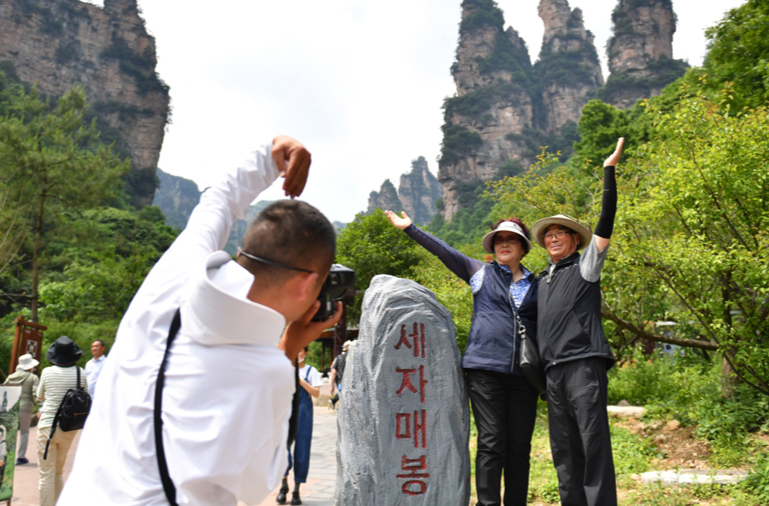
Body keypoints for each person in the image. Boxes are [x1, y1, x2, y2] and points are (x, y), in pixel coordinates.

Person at [59, 136, 342, 506]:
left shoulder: (173, 276)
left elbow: (218, 201)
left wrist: (275, 153)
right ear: (308, 284)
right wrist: (288, 349)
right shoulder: (265, 372)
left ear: (244, 253)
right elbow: (257, 483)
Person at [385, 211, 539, 506]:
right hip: (485, 370)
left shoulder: (538, 283)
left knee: (519, 447)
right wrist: (411, 229)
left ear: (523, 247)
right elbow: (446, 252)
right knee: (492, 442)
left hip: (524, 374)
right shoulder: (480, 273)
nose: (504, 244)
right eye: (499, 240)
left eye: (511, 239)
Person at [530, 138, 624, 506]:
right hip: (553, 373)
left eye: (560, 233)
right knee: (564, 449)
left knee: (593, 443)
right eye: (548, 235)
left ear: (574, 240)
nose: (553, 238)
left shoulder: (585, 267)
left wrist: (608, 172)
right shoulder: (542, 279)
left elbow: (606, 222)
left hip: (583, 364)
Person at [37, 336, 88, 506]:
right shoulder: (81, 372)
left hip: (47, 426)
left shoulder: (47, 372)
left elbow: (39, 395)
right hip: (69, 427)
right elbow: (84, 394)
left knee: (46, 475)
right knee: (58, 472)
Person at [276, 346, 322, 505]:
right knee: (283, 450)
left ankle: (296, 490)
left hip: (304, 415)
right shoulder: (284, 370)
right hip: (285, 414)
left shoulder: (311, 372)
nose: (297, 353)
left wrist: (299, 380)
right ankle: (283, 486)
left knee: (302, 451)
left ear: (306, 353)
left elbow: (316, 393)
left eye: (301, 350)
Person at [4, 353, 39, 465]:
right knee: (24, 432)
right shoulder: (33, 377)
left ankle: (6, 457)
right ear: (30, 366)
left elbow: (4, 390)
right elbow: (35, 393)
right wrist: (41, 407)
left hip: (11, 407)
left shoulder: (11, 377)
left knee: (9, 433)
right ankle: (20, 457)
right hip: (26, 408)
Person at [329, 340, 351, 407]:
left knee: (343, 401)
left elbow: (333, 372)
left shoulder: (338, 358)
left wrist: (332, 386)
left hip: (341, 382)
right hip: (351, 383)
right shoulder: (353, 357)